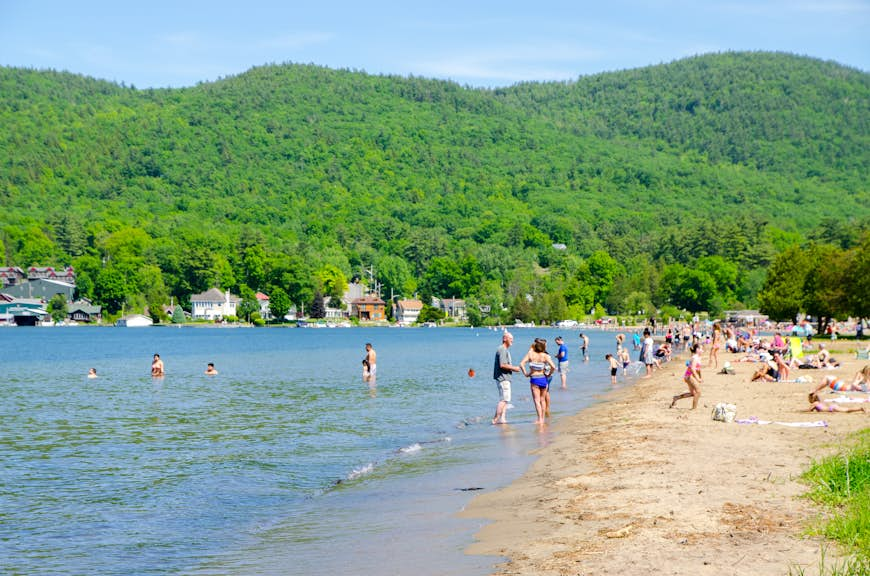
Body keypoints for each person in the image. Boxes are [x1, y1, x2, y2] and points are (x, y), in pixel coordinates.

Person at [520, 338, 557, 425]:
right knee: (542, 400)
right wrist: (548, 374)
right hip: (543, 378)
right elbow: (554, 367)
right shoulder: (545, 355)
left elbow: (521, 364)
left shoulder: (530, 354)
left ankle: (539, 419)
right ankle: (543, 419)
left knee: (537, 401)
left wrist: (526, 374)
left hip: (534, 379)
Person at [492, 332, 520, 425]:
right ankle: (495, 419)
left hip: (503, 378)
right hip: (503, 378)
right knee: (504, 400)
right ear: (505, 339)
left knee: (505, 399)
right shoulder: (502, 349)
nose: (512, 340)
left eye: (512, 339)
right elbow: (502, 365)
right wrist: (515, 368)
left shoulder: (503, 349)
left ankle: (502, 419)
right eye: (510, 338)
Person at [671, 343, 702, 409]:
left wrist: (700, 377)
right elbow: (693, 369)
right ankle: (694, 408)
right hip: (689, 376)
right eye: (701, 349)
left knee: (693, 394)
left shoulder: (698, 358)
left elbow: (698, 369)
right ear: (697, 350)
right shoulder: (695, 358)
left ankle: (676, 398)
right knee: (698, 392)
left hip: (689, 376)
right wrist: (698, 378)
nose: (702, 350)